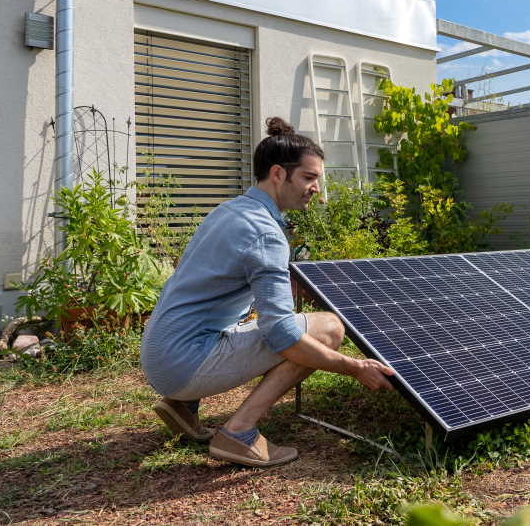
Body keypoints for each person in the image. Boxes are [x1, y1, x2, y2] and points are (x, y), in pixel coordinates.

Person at [140, 117, 394, 468]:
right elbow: (283, 335)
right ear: (278, 174)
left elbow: (201, 275)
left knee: (278, 322)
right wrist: (353, 367)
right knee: (329, 329)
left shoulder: (228, 211)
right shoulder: (265, 232)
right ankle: (239, 433)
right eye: (309, 177)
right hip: (183, 363)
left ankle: (182, 405)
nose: (316, 188)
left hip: (160, 352)